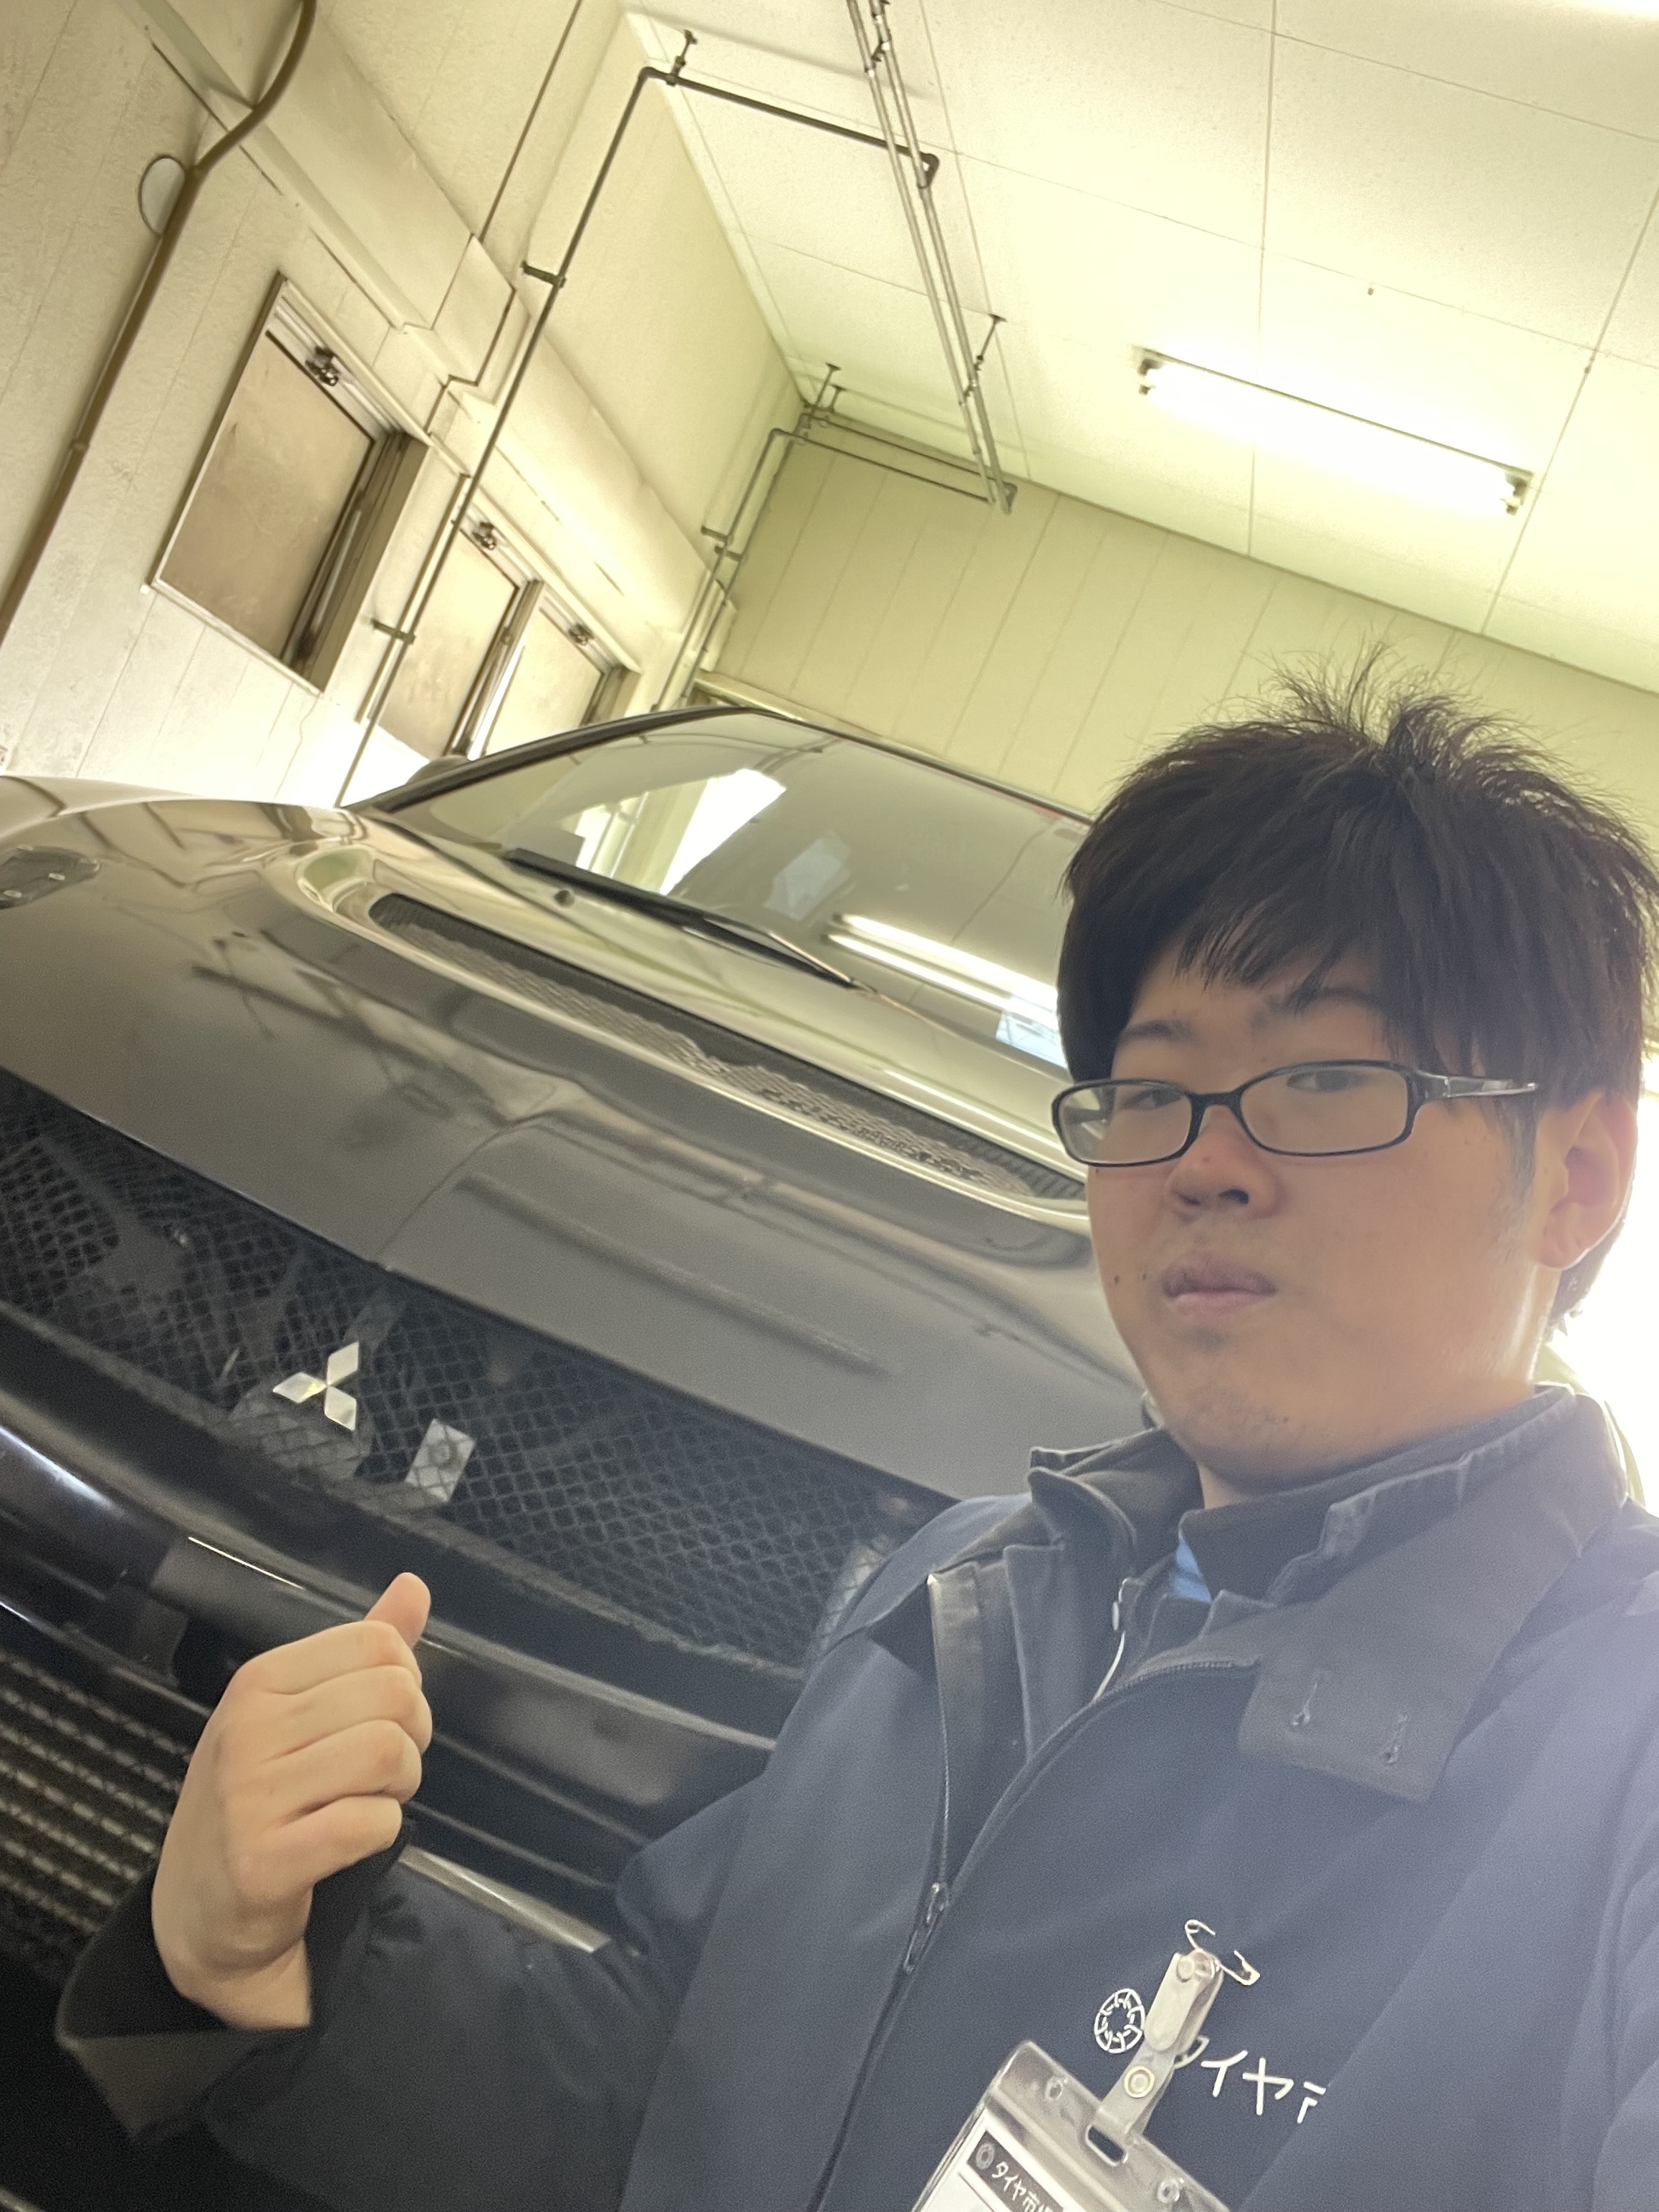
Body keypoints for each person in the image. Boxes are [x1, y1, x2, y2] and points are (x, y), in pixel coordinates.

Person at [59, 665, 1659, 2212]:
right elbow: (648, 2102)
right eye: (1154, 1091)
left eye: (1321, 1081)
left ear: (1578, 1176)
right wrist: (261, 1962)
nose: (1205, 1163)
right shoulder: (970, 1593)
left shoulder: (1621, 1753)